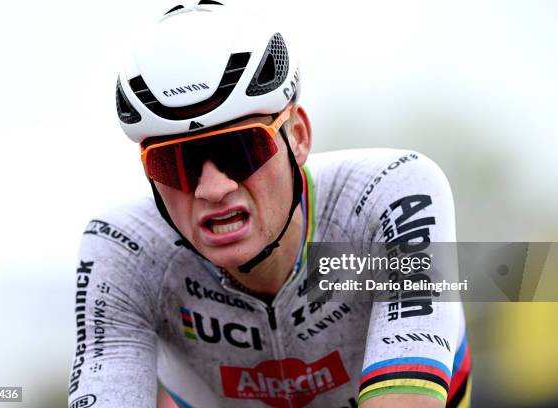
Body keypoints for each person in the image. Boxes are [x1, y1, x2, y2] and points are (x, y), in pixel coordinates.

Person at [67, 3, 471, 407]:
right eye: (175, 164)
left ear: (297, 137)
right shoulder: (125, 248)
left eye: (241, 149)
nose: (212, 188)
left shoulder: (388, 195)